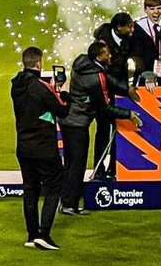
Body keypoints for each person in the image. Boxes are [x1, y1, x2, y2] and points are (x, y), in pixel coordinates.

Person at [60, 41, 141, 216]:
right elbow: (104, 107)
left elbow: (108, 79)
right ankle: (69, 204)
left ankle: (66, 200)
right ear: (98, 56)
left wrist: (126, 89)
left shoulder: (83, 64)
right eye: (106, 54)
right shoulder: (94, 78)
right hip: (77, 123)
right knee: (77, 164)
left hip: (69, 120)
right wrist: (128, 114)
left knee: (71, 163)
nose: (110, 56)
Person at [10, 45, 69, 251]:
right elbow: (61, 109)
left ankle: (31, 234)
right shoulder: (40, 87)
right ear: (38, 63)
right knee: (54, 185)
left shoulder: (16, 85)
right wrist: (61, 91)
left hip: (23, 145)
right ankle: (44, 234)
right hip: (43, 145)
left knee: (30, 189)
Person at [91, 13, 139, 178]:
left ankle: (114, 168)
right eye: (129, 27)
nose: (133, 30)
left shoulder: (125, 40)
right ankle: (99, 170)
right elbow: (103, 74)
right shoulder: (102, 45)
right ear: (118, 28)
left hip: (119, 90)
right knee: (104, 131)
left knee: (119, 131)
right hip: (104, 92)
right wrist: (125, 89)